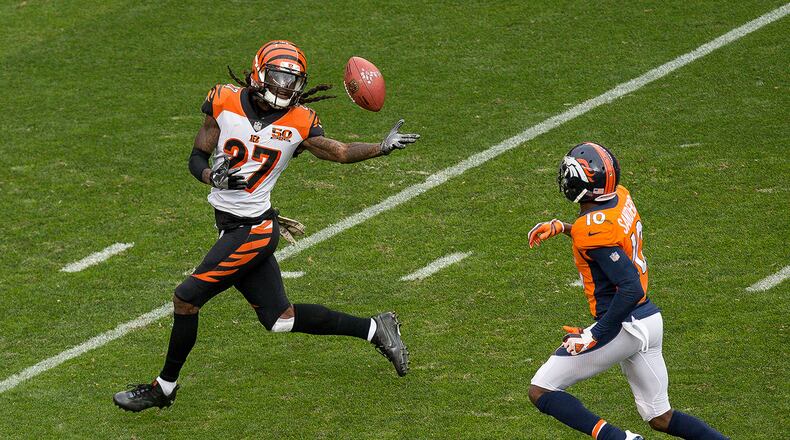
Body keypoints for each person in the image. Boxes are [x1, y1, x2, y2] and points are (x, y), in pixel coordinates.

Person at [114, 40, 419, 412]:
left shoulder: (299, 121)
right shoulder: (224, 100)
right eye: (277, 78)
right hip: (233, 225)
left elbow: (338, 151)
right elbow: (196, 157)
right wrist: (213, 177)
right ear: (259, 73)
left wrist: (379, 147)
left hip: (253, 230)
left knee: (186, 298)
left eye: (292, 81)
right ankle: (376, 328)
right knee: (280, 319)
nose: (284, 88)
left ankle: (163, 389)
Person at [526, 142, 727, 439]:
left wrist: (592, 334)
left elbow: (629, 287)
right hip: (649, 320)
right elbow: (604, 239)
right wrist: (564, 227)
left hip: (626, 326)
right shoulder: (619, 197)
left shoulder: (593, 231)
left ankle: (618, 438)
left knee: (541, 389)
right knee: (661, 417)